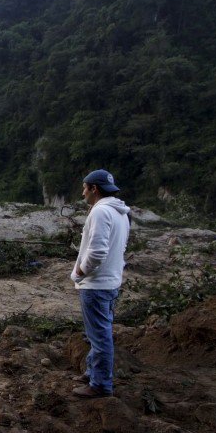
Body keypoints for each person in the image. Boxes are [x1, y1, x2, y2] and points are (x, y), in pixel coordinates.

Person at [70, 169, 131, 398]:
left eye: (85, 188)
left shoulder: (100, 212)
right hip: (110, 282)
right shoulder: (121, 212)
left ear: (94, 189)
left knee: (99, 336)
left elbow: (97, 252)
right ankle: (91, 372)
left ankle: (100, 385)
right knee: (98, 333)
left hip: (96, 285)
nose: (83, 192)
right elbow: (121, 247)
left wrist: (80, 270)